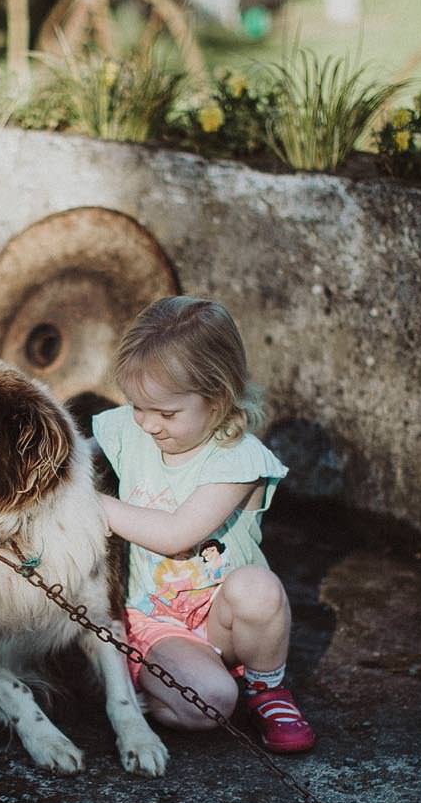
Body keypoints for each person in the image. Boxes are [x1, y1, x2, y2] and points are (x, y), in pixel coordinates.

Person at [92, 296, 315, 754]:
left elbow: (178, 533)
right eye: (137, 405)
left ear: (217, 400)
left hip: (222, 621)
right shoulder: (129, 432)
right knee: (210, 704)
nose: (148, 424)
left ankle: (267, 689)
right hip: (155, 621)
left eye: (166, 413)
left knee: (260, 589)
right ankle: (148, 687)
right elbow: (72, 459)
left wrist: (93, 506)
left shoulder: (239, 458)